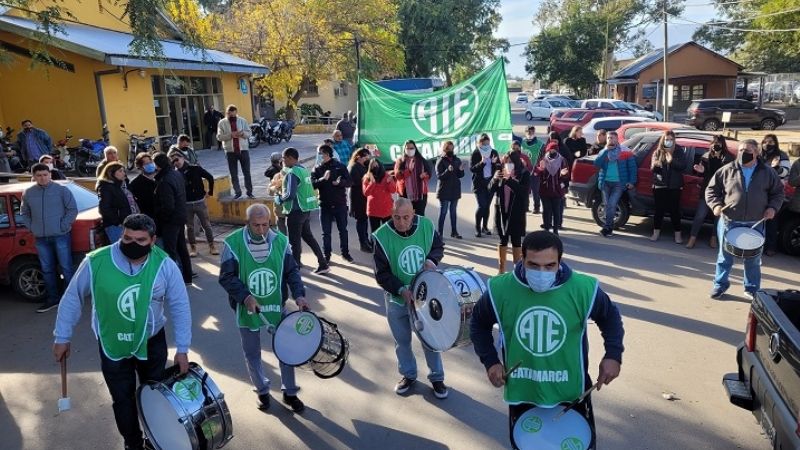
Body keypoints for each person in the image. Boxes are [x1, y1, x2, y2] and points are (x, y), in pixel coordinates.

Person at [470, 231, 624, 450]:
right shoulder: (499, 289)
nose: (541, 272)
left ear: (560, 262)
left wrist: (613, 355)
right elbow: (478, 323)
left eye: (550, 266)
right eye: (533, 265)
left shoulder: (584, 288)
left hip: (572, 393)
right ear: (521, 259)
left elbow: (610, 318)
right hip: (523, 392)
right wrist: (490, 361)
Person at [53, 213, 192, 450]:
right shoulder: (96, 261)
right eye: (127, 238)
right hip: (112, 343)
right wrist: (62, 337)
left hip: (151, 341)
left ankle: (156, 439)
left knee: (155, 397)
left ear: (152, 239)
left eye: (140, 240)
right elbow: (72, 298)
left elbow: (180, 305)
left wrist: (182, 349)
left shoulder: (164, 264)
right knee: (122, 400)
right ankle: (133, 443)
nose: (132, 245)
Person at [218, 204, 307, 413]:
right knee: (252, 353)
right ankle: (262, 391)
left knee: (286, 350)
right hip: (247, 308)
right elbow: (226, 277)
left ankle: (290, 392)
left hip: (276, 305)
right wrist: (245, 297)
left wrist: (300, 295)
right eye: (256, 225)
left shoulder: (281, 242)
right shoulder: (232, 243)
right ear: (248, 223)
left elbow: (292, 271)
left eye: (265, 225)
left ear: (270, 222)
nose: (261, 230)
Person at [372, 197, 448, 398]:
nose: (402, 222)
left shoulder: (426, 226)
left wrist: (432, 260)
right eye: (396, 218)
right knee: (402, 341)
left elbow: (438, 247)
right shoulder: (381, 236)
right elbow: (382, 273)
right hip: (397, 299)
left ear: (413, 213)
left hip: (424, 297)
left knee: (429, 339)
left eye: (406, 217)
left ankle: (437, 377)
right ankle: (408, 374)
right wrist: (400, 290)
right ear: (391, 215)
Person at [706, 139, 784, 300]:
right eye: (741, 150)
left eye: (747, 150)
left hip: (755, 223)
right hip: (729, 221)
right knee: (724, 257)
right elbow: (711, 190)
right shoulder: (727, 170)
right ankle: (719, 285)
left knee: (753, 261)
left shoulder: (767, 172)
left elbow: (778, 193)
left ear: (756, 153)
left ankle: (751, 288)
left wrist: (772, 208)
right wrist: (715, 206)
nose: (743, 153)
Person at [21, 163, 78, 313]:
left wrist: (63, 226)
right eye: (39, 175)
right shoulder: (28, 193)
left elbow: (72, 209)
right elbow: (24, 213)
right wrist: (33, 228)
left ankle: (71, 298)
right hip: (41, 238)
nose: (42, 178)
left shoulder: (61, 190)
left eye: (45, 174)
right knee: (47, 269)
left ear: (50, 175)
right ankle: (52, 299)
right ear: (34, 176)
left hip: (61, 236)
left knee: (66, 267)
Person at [274, 147, 329, 274]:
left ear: (290, 158)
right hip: (305, 210)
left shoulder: (292, 173)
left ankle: (295, 268)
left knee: (294, 242)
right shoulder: (304, 170)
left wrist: (279, 199)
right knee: (309, 237)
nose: (283, 162)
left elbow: (290, 195)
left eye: (283, 159)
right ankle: (323, 263)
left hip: (295, 212)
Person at [152, 152, 194, 284]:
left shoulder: (165, 180)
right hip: (180, 216)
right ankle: (187, 277)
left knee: (171, 251)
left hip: (171, 220)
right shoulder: (176, 174)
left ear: (157, 166)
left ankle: (175, 280)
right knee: (182, 248)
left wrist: (161, 218)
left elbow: (168, 206)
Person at [168, 149, 217, 257]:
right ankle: (193, 247)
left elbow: (210, 177)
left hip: (199, 201)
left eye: (177, 159)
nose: (177, 162)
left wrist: (210, 191)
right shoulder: (175, 173)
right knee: (189, 227)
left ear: (183, 158)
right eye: (173, 161)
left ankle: (212, 245)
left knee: (206, 225)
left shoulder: (195, 168)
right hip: (186, 204)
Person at [687, 135, 733, 249]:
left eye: (718, 143)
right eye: (713, 143)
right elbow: (701, 172)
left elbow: (727, 175)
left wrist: (719, 159)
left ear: (723, 145)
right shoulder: (706, 156)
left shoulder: (728, 158)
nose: (715, 145)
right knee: (700, 215)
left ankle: (713, 238)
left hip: (722, 192)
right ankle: (692, 238)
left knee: (717, 217)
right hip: (708, 191)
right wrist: (701, 171)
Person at [311, 144, 353, 263]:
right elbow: (313, 185)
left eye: (321, 154)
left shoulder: (340, 167)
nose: (319, 156)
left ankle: (345, 254)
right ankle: (327, 255)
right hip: (325, 205)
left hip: (340, 204)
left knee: (343, 230)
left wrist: (339, 183)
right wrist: (323, 179)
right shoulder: (317, 168)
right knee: (326, 233)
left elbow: (350, 182)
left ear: (327, 154)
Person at [489, 151, 530, 273]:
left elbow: (523, 192)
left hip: (516, 213)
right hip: (502, 211)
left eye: (510, 162)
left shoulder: (524, 173)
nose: (508, 165)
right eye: (506, 162)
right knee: (502, 239)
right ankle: (501, 270)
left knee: (516, 240)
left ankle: (517, 270)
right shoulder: (500, 172)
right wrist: (495, 179)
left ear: (516, 162)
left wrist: (510, 180)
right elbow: (490, 189)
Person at [593, 131, 637, 237]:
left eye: (612, 138)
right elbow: (597, 163)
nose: (610, 140)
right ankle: (609, 227)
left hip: (618, 184)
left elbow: (632, 168)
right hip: (605, 183)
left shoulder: (625, 152)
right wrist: (605, 151)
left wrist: (632, 182)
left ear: (617, 139)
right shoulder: (604, 151)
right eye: (608, 138)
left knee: (612, 204)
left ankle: (607, 227)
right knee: (607, 205)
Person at [649, 130, 687, 243]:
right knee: (659, 210)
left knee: (674, 211)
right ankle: (656, 233)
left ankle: (678, 235)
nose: (668, 141)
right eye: (667, 139)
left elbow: (683, 166)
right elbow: (652, 169)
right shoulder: (658, 152)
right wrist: (656, 165)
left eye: (671, 139)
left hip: (674, 186)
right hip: (660, 185)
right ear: (663, 140)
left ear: (674, 140)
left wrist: (672, 161)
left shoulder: (679, 150)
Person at [759, 134, 791, 256]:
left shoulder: (781, 155)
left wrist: (776, 168)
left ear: (775, 143)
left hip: (774, 193)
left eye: (771, 142)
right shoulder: (759, 155)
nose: (767, 144)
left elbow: (785, 173)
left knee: (772, 220)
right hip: (760, 191)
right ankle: (757, 245)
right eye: (765, 141)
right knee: (759, 219)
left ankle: (771, 247)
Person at [217, 104, 253, 199]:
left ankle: (249, 192)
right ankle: (237, 192)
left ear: (236, 112)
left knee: (247, 172)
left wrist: (243, 134)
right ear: (227, 113)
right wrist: (230, 135)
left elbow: (249, 133)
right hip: (230, 151)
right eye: (229, 114)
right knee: (233, 173)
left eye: (233, 114)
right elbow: (219, 137)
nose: (232, 116)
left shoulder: (242, 121)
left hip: (243, 150)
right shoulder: (222, 122)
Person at [97, 162, 139, 243]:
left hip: (128, 224)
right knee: (120, 250)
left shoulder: (123, 186)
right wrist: (117, 222)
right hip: (116, 226)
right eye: (120, 171)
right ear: (111, 173)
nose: (124, 173)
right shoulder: (106, 187)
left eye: (124, 171)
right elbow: (104, 208)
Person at [535, 141, 569, 234]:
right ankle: (546, 228)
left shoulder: (562, 160)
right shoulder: (543, 160)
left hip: (557, 190)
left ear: (557, 150)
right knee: (546, 210)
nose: (552, 151)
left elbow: (566, 175)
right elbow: (537, 173)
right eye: (550, 150)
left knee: (556, 211)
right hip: (545, 190)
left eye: (554, 149)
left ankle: (555, 229)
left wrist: (563, 175)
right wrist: (540, 169)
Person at [471, 133, 501, 237]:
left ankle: (484, 227)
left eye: (488, 144)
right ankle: (477, 228)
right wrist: (482, 163)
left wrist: (493, 163)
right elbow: (472, 169)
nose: (486, 146)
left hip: (491, 184)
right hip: (479, 185)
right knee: (481, 206)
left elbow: (499, 166)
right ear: (480, 144)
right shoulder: (476, 153)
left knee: (487, 206)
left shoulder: (493, 152)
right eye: (484, 144)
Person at [435, 140, 465, 239]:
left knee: (453, 211)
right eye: (448, 148)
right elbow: (439, 176)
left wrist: (461, 170)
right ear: (444, 149)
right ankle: (440, 233)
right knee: (443, 211)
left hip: (455, 190)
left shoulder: (457, 160)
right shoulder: (440, 160)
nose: (450, 150)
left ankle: (454, 231)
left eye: (452, 148)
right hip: (444, 190)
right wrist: (448, 170)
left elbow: (460, 175)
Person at [394, 140, 431, 216]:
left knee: (419, 216)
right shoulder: (400, 161)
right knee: (406, 216)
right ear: (404, 149)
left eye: (412, 148)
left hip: (421, 194)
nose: (410, 150)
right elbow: (397, 176)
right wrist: (409, 171)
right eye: (408, 148)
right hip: (405, 194)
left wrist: (424, 176)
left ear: (415, 148)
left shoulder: (421, 160)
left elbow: (429, 174)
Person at [348, 148, 373, 252]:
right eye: (365, 157)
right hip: (357, 197)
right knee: (361, 221)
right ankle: (363, 243)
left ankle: (366, 240)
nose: (367, 159)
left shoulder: (365, 166)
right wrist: (367, 179)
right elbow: (355, 183)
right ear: (359, 157)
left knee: (364, 220)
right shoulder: (353, 167)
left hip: (365, 197)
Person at [363, 158, 396, 233]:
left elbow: (393, 191)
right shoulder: (367, 177)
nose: (375, 168)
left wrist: (389, 183)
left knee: (388, 232)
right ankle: (375, 244)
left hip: (386, 209)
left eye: (377, 166)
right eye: (373, 167)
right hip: (374, 210)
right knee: (375, 232)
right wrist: (372, 183)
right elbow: (366, 193)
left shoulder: (387, 176)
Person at [520, 126, 544, 213]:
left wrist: (540, 168)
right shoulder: (521, 142)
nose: (530, 134)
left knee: (535, 191)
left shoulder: (540, 144)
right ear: (525, 133)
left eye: (531, 132)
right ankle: (525, 206)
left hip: (535, 171)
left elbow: (543, 158)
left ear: (534, 133)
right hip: (524, 171)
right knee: (525, 190)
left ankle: (536, 207)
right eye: (528, 133)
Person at [128, 152, 158, 219]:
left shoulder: (159, 178)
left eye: (151, 162)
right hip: (148, 217)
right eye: (147, 164)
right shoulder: (135, 184)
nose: (150, 165)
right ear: (140, 167)